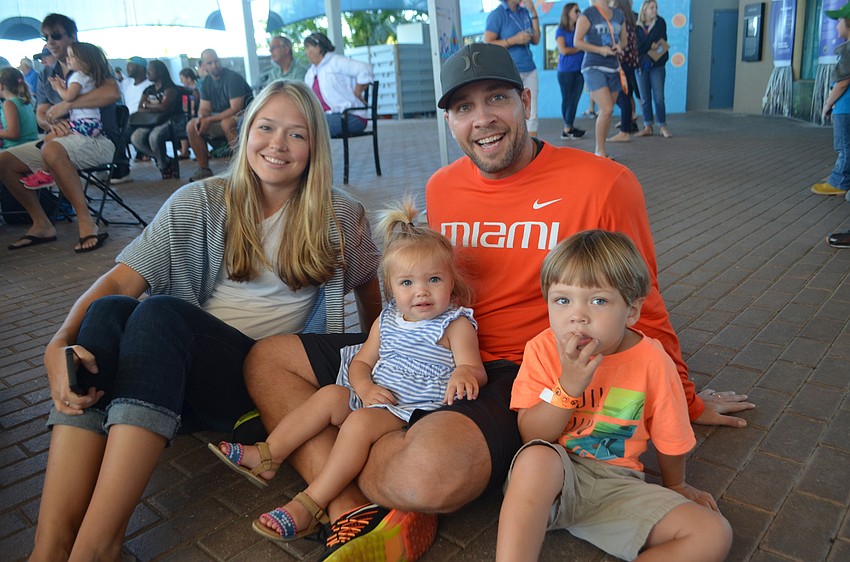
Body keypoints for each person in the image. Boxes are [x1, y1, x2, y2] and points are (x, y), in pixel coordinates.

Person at [242, 42, 754, 561]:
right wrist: (381, 350)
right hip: (424, 342)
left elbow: (647, 301)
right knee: (268, 361)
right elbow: (425, 282)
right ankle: (350, 504)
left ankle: (364, 471)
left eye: (496, 99)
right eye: (464, 108)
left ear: (526, 100)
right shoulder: (443, 187)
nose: (482, 120)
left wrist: (685, 399)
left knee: (426, 476)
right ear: (449, 121)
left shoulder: (605, 183)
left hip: (514, 369)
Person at [25, 79, 381, 562]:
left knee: (161, 312)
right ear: (245, 131)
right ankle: (50, 548)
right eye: (266, 127)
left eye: (296, 134)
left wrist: (374, 366)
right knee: (109, 313)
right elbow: (114, 284)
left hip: (257, 388)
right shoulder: (200, 202)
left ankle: (95, 548)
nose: (277, 144)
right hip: (173, 375)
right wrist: (58, 343)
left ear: (315, 146)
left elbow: (370, 289)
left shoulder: (340, 215)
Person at [210, 199, 484, 547]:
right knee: (329, 396)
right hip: (377, 394)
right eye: (407, 283)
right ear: (390, 288)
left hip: (412, 406)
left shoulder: (455, 324)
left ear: (451, 283)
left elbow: (472, 366)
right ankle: (268, 454)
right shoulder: (387, 321)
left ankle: (310, 502)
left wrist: (466, 375)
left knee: (357, 423)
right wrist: (364, 387)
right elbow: (361, 363)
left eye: (433, 279)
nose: (421, 291)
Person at [496, 229, 733, 562]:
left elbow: (672, 436)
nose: (577, 315)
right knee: (536, 458)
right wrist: (569, 386)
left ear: (632, 311)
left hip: (617, 486)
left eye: (598, 300)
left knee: (713, 533)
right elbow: (532, 434)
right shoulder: (542, 348)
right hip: (550, 484)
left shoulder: (652, 360)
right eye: (562, 300)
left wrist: (676, 485)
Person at [1, 13, 120, 253]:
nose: (50, 42)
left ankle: (86, 222)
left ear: (73, 37)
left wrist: (67, 105)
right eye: (46, 37)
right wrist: (50, 123)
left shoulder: (91, 64)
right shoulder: (47, 73)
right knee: (4, 161)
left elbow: (112, 93)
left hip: (97, 140)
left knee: (52, 149)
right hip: (60, 138)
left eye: (56, 35)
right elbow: (42, 114)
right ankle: (42, 223)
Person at [19, 42, 111, 191]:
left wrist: (58, 88)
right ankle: (47, 173)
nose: (67, 59)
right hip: (91, 123)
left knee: (49, 138)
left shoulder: (77, 77)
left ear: (84, 60)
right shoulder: (87, 77)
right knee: (52, 138)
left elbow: (69, 97)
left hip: (86, 124)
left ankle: (46, 173)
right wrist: (63, 86)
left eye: (72, 56)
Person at [187, 48, 253, 181]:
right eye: (210, 63)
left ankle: (240, 168)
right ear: (204, 66)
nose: (214, 65)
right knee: (192, 125)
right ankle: (204, 169)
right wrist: (201, 119)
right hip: (221, 118)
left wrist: (209, 119)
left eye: (216, 61)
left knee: (227, 122)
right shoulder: (206, 83)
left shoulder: (232, 78)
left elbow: (236, 108)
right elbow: (204, 108)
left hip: (245, 116)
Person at [574, 0, 627, 159]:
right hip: (593, 66)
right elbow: (577, 41)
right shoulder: (589, 13)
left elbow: (624, 40)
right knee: (607, 108)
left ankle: (601, 149)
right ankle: (599, 152)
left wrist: (620, 46)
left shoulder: (619, 14)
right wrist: (600, 50)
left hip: (614, 67)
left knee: (607, 113)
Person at [484, 0, 541, 137]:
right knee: (509, 111)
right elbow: (488, 43)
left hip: (529, 68)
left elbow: (536, 40)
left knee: (531, 112)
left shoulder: (524, 12)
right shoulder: (497, 14)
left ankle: (532, 151)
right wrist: (513, 40)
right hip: (509, 70)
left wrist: (533, 12)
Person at [303, 32, 373, 137]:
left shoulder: (336, 62)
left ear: (318, 48)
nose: (306, 53)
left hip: (351, 117)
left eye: (308, 48)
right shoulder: (310, 73)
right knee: (301, 122)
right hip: (329, 116)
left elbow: (365, 69)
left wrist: (357, 91)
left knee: (312, 125)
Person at [812, 3, 850, 197]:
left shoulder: (848, 50)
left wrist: (827, 104)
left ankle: (839, 182)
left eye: (839, 22)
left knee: (844, 146)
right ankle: (840, 177)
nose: (836, 27)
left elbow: (842, 82)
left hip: (845, 107)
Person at [130, 60, 182, 179]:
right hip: (151, 121)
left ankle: (163, 166)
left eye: (150, 70)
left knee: (155, 136)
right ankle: (166, 160)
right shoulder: (149, 89)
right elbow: (140, 108)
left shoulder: (170, 89)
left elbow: (164, 107)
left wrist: (147, 105)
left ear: (160, 72)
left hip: (171, 122)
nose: (147, 73)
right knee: (136, 138)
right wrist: (154, 107)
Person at [635, 0, 673, 139]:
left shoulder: (660, 23)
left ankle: (662, 125)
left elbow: (662, 42)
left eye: (656, 7)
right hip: (640, 66)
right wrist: (649, 45)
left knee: (659, 97)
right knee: (645, 98)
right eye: (652, 8)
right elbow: (637, 47)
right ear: (644, 9)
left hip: (657, 65)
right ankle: (648, 126)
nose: (655, 10)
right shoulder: (637, 27)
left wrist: (649, 46)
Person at [113, 55, 152, 182]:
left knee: (120, 136)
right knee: (112, 133)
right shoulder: (126, 83)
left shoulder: (149, 84)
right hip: (129, 120)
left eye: (131, 65)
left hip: (143, 120)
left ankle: (123, 169)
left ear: (141, 68)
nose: (127, 67)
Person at [609, 0, 640, 144]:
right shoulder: (631, 20)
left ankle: (625, 130)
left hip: (623, 64)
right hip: (630, 64)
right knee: (625, 95)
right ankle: (628, 118)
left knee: (622, 96)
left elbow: (623, 46)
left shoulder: (621, 23)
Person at [555, 3, 586, 140]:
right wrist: (580, 47)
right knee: (568, 99)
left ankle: (568, 127)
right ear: (568, 13)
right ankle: (567, 128)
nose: (578, 13)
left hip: (580, 70)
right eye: (576, 11)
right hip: (565, 71)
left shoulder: (580, 29)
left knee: (575, 99)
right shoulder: (560, 30)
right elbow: (564, 50)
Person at [0, 67, 39, 149]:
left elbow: (13, 134)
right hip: (30, 145)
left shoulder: (9, 104)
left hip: (16, 148)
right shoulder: (24, 101)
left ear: (1, 86)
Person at [177, 67, 200, 160]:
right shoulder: (187, 90)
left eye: (182, 79)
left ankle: (185, 151)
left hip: (195, 115)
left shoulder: (195, 90)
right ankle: (184, 150)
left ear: (189, 78)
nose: (181, 81)